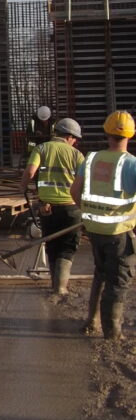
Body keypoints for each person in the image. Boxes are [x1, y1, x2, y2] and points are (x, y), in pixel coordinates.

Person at [71, 111, 136, 340]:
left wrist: (90, 215)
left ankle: (92, 320)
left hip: (94, 231)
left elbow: (74, 191)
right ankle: (112, 333)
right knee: (118, 282)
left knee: (100, 274)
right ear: (131, 134)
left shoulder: (91, 159)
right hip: (119, 233)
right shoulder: (131, 164)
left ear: (106, 132)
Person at [20, 117, 84, 296]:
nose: (76, 142)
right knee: (68, 247)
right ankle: (61, 287)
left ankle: (54, 285)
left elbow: (30, 172)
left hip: (46, 208)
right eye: (75, 138)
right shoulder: (77, 155)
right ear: (69, 136)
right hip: (71, 208)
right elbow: (83, 182)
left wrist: (23, 186)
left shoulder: (41, 148)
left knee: (52, 244)